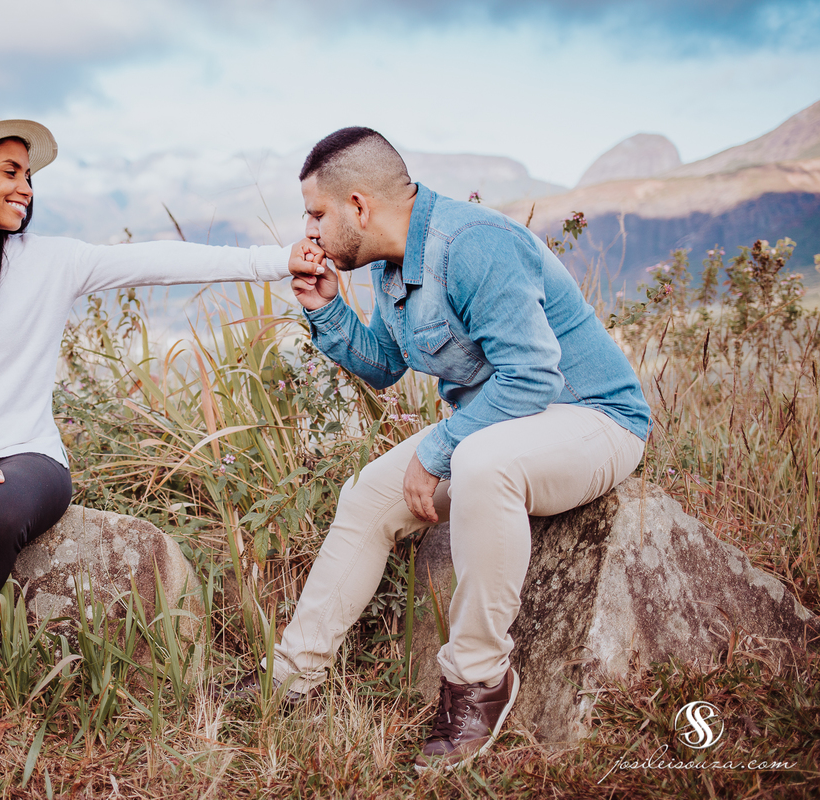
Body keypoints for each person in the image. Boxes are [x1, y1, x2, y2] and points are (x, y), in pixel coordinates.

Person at [0, 108, 318, 794]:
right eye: (10, 172)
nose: (26, 189)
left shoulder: (50, 261)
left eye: (29, 175)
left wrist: (281, 260)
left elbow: (160, 261)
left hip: (30, 454)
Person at [244, 127, 649, 772]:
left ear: (359, 205)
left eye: (317, 214)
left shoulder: (472, 245)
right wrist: (327, 311)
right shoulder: (389, 262)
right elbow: (383, 365)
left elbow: (534, 375)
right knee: (370, 494)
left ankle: (479, 680)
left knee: (480, 462)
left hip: (591, 417)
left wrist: (439, 451)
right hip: (505, 424)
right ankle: (292, 678)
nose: (311, 231)